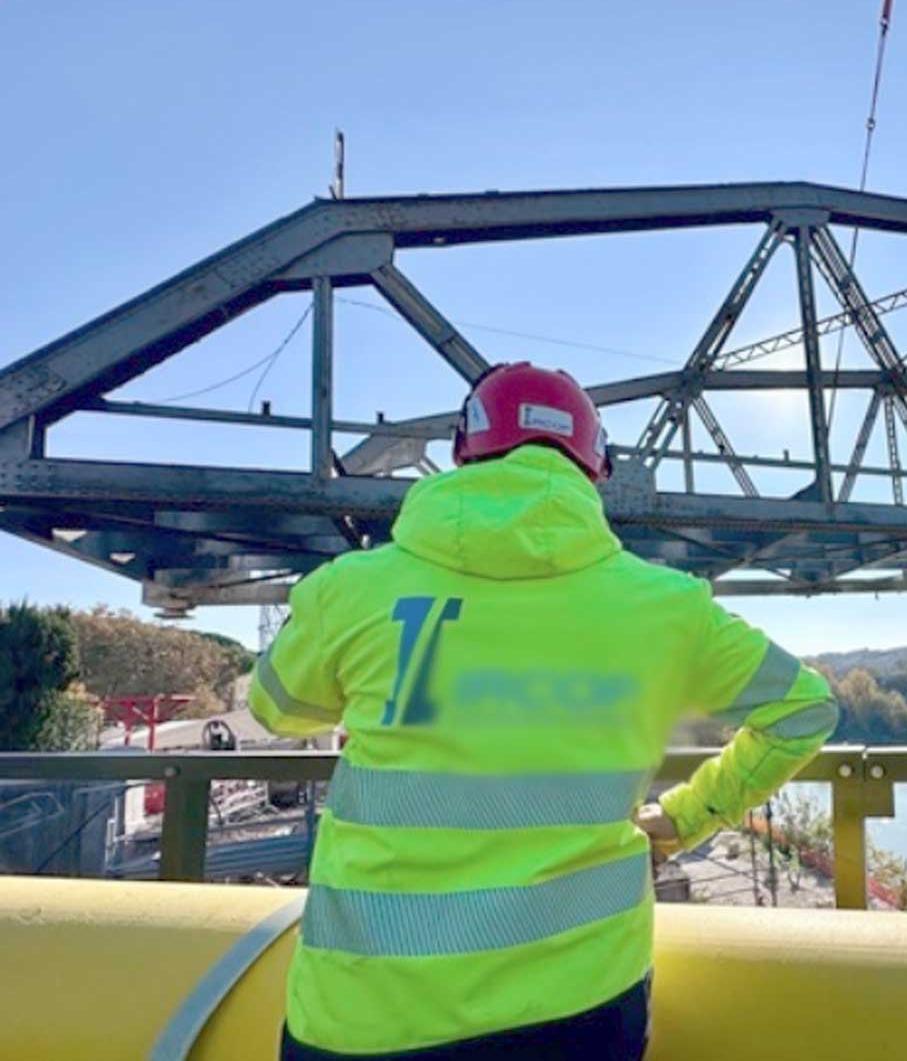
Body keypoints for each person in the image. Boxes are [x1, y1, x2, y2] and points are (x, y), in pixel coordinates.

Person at [249, 362, 837, 1060]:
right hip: (583, 1006)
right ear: (596, 468)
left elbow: (277, 708)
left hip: (365, 1014)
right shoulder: (667, 605)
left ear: (464, 448)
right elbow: (804, 709)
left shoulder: (352, 587)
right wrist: (682, 819)